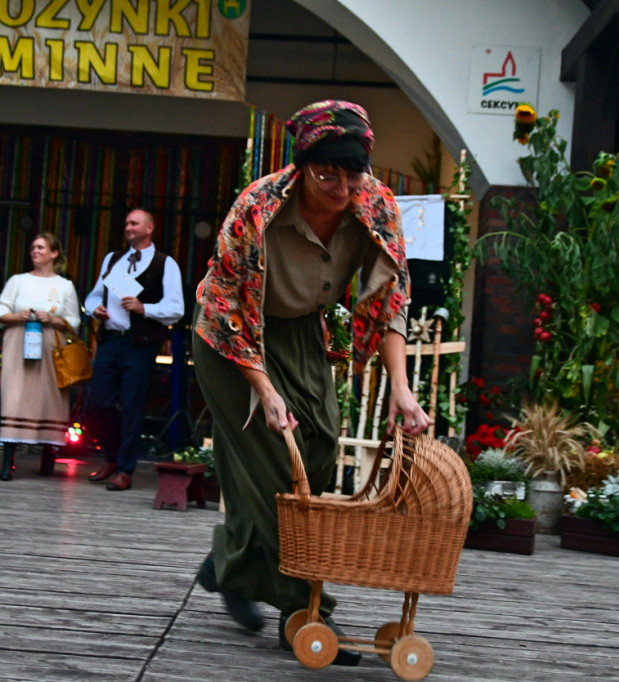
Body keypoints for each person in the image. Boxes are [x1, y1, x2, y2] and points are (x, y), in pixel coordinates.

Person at [192, 100, 433, 664]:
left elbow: (392, 297)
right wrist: (266, 392)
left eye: (353, 173)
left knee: (320, 448)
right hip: (231, 341)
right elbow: (227, 303)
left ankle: (228, 562)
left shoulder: (376, 204)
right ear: (302, 168)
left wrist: (400, 385)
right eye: (328, 174)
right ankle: (304, 611)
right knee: (280, 460)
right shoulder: (257, 206)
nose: (342, 186)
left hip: (299, 331)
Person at [82, 208, 184, 491]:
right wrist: (95, 309)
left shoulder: (165, 263)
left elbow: (176, 309)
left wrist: (144, 308)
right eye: (126, 222)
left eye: (134, 223)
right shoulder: (113, 259)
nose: (128, 227)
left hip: (139, 344)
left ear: (149, 228)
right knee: (100, 399)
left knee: (131, 405)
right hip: (110, 340)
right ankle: (112, 458)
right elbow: (92, 296)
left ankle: (125, 469)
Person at [0, 233, 80, 481]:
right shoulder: (17, 281)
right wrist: (20, 316)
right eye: (33, 247)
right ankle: (8, 460)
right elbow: (0, 310)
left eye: (41, 247)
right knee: (14, 396)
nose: (35, 251)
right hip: (18, 343)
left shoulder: (65, 286)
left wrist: (52, 319)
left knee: (49, 396)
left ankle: (48, 455)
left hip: (50, 346)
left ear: (54, 254)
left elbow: (74, 321)